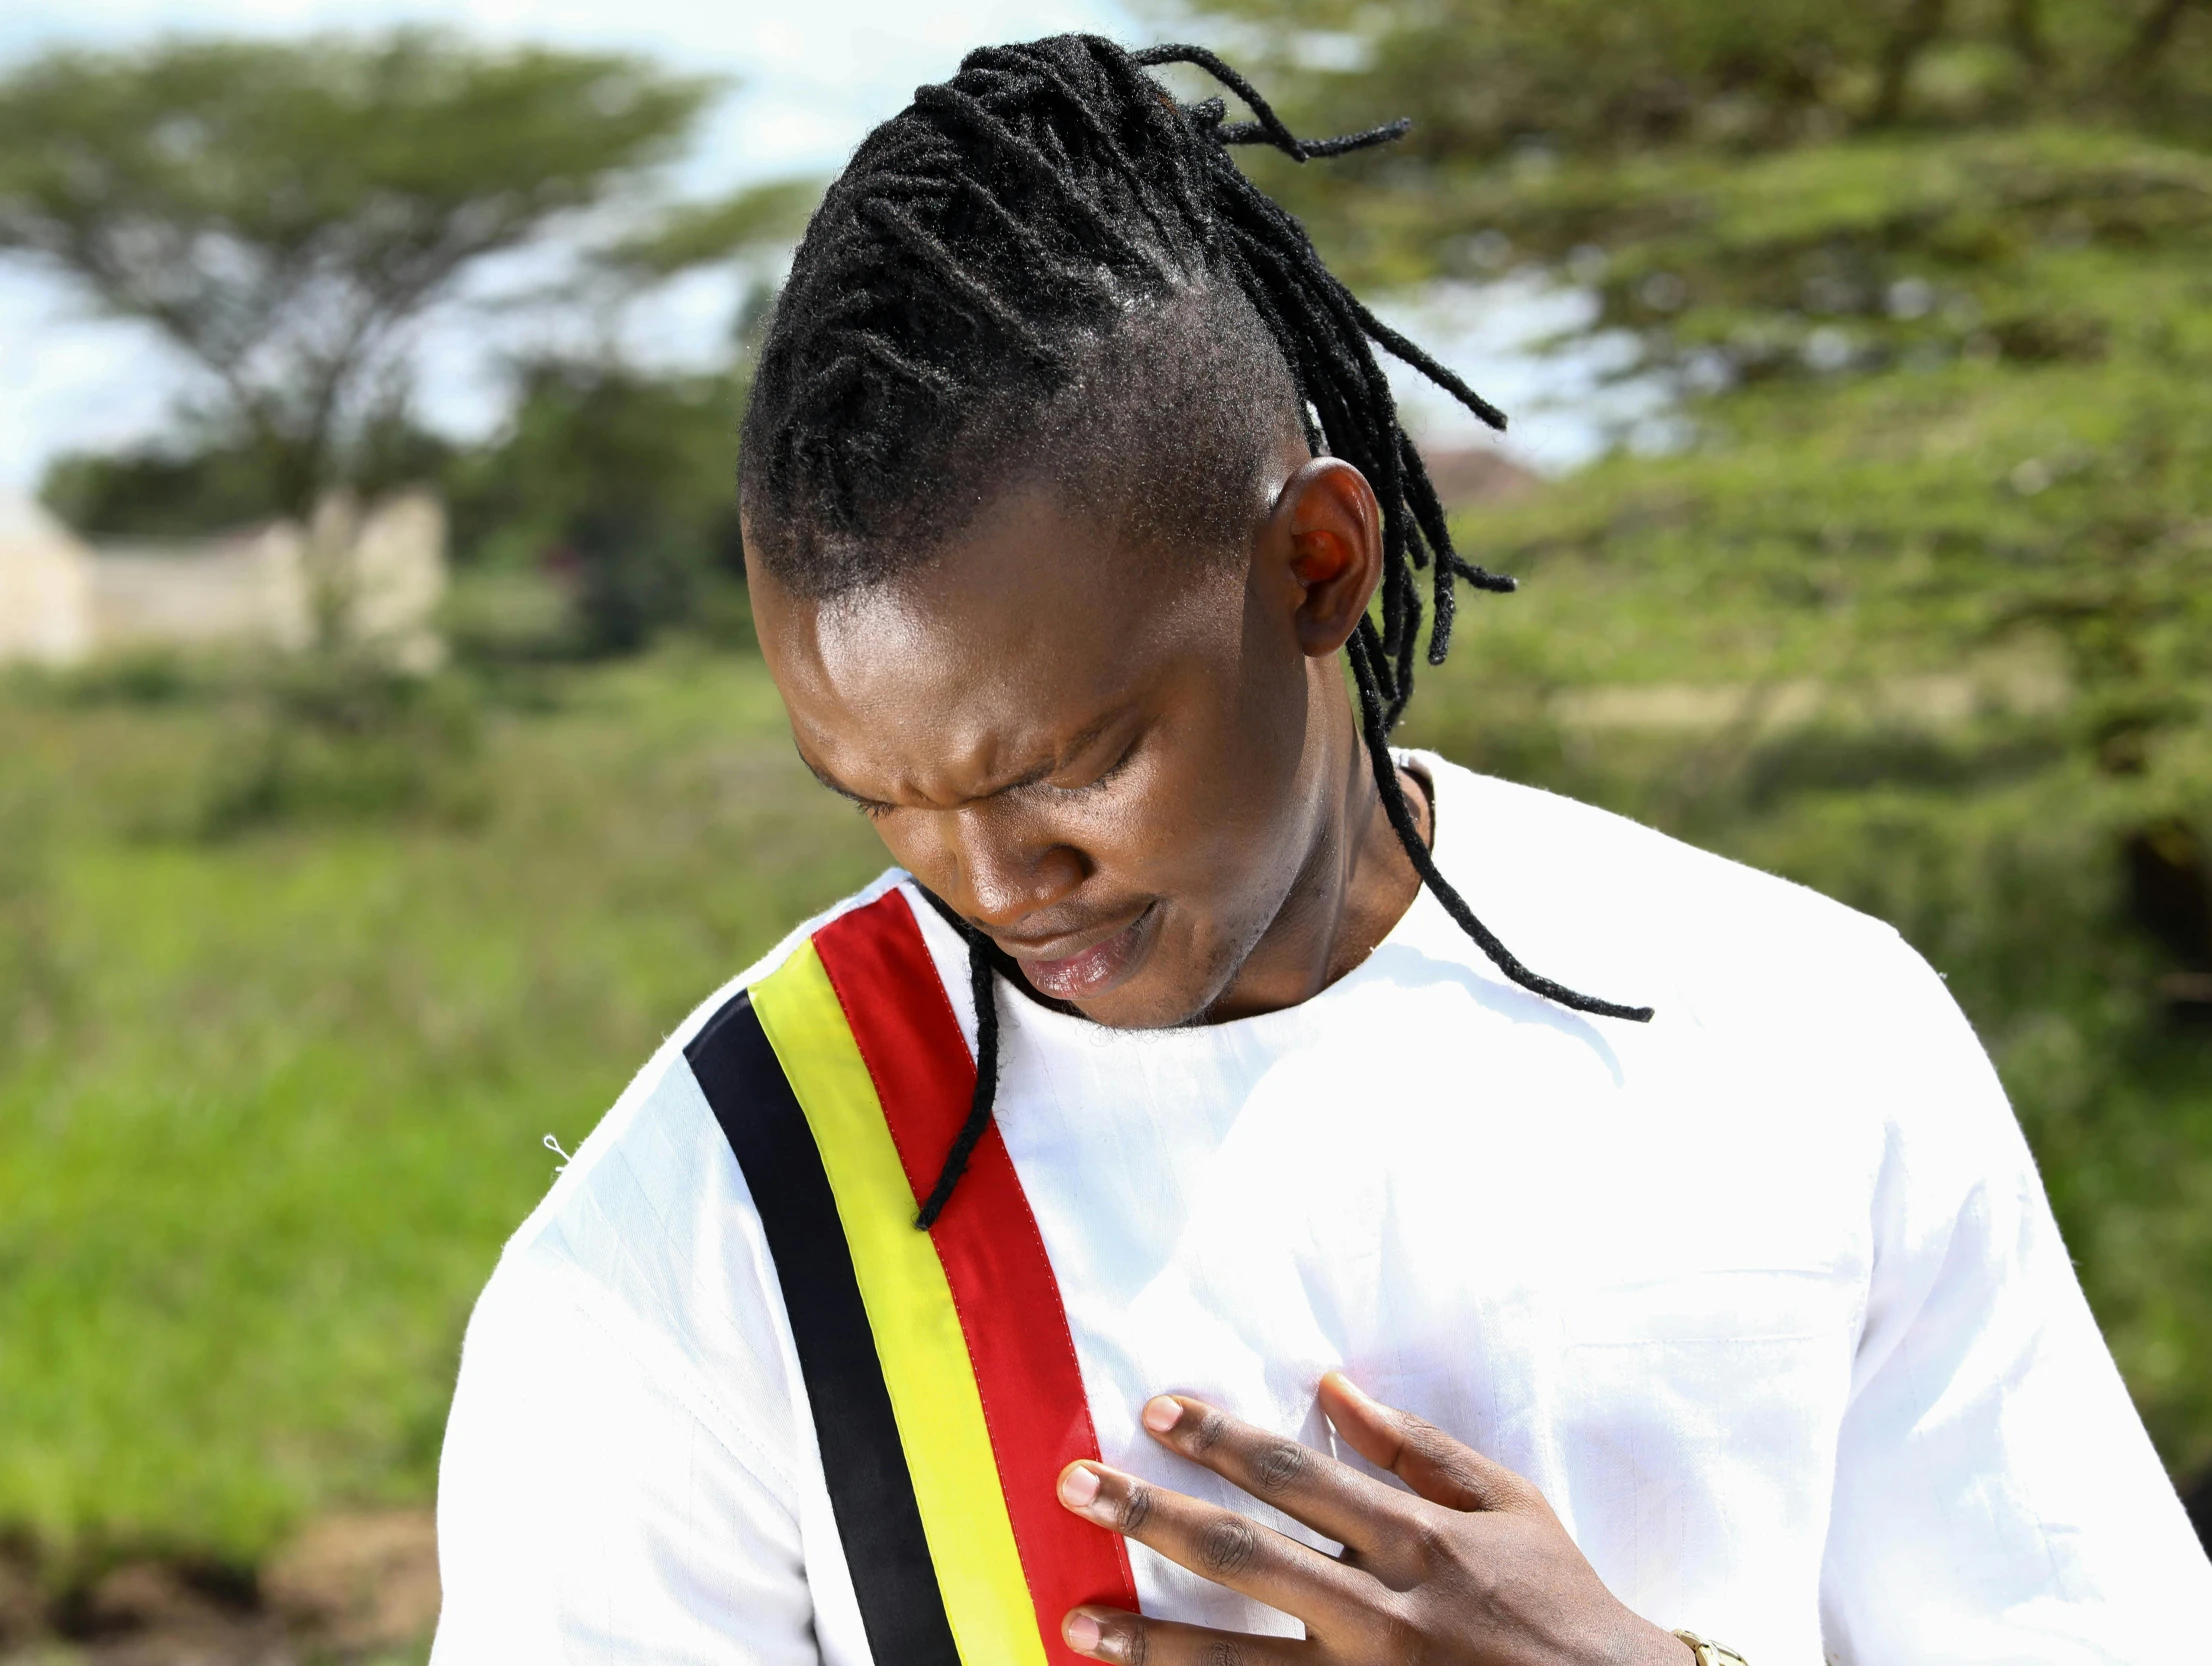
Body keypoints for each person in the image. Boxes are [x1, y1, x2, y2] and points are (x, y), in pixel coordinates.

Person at [428, 35, 2212, 1666]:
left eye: (1074, 761)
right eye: (878, 793)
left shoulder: (1804, 1035)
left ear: (1318, 566)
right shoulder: (705, 1223)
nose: (982, 880)